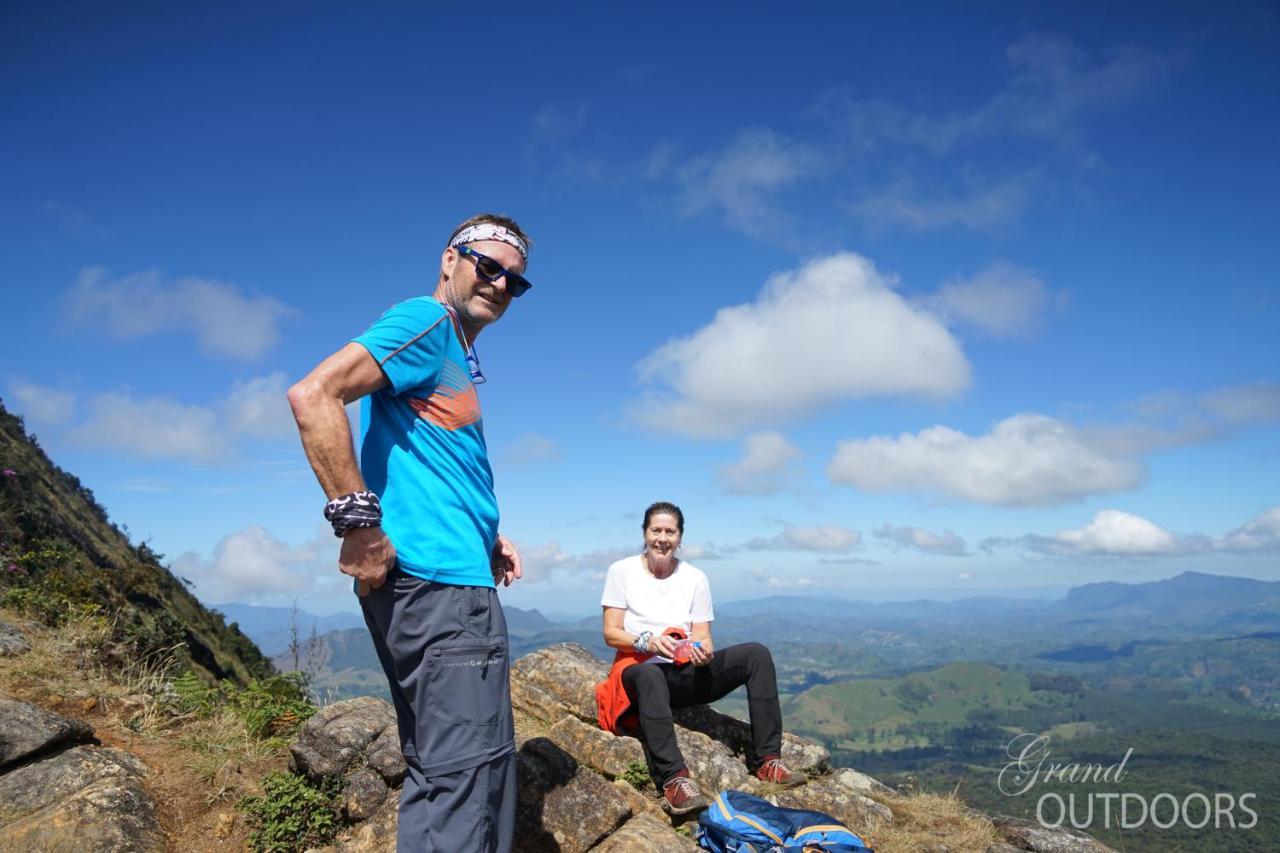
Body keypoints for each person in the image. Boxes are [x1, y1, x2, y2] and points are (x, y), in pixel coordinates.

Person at [287, 213, 532, 852]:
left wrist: (487, 535)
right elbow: (314, 395)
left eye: (515, 280)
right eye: (489, 265)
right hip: (442, 592)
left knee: (438, 774)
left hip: (438, 581)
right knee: (473, 783)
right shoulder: (425, 322)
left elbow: (432, 463)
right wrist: (359, 526)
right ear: (450, 258)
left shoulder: (450, 347)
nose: (501, 284)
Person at [598, 501, 806, 815]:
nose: (663, 538)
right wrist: (648, 642)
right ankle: (674, 780)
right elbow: (611, 633)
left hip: (682, 673)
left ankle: (767, 761)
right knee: (650, 675)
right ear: (645, 533)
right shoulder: (622, 571)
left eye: (670, 531)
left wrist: (703, 651)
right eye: (657, 530)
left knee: (756, 654)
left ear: (680, 538)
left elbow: (702, 634)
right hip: (639, 672)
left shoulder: (695, 578)